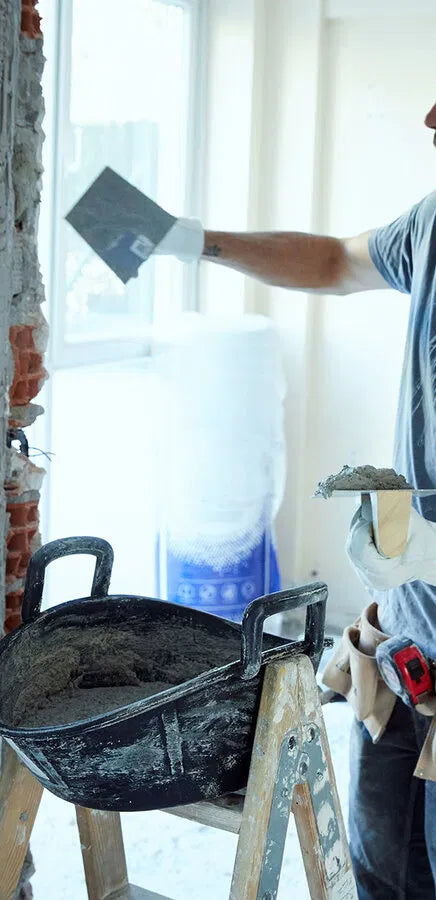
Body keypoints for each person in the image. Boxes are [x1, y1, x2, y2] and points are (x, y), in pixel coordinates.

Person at [153, 102, 436, 898]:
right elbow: (335, 261)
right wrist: (192, 240)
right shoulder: (432, 223)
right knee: (379, 871)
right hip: (405, 641)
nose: (428, 118)